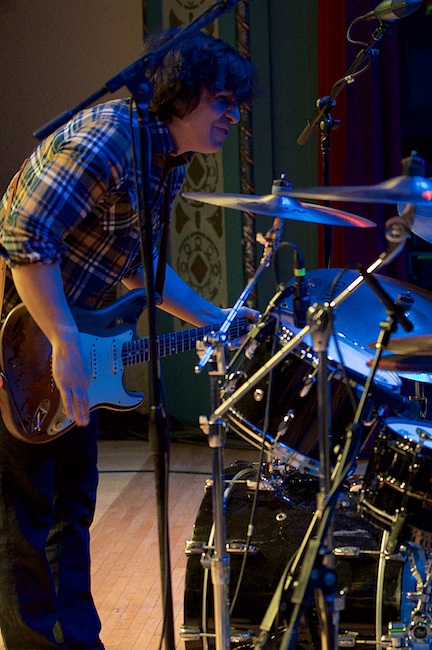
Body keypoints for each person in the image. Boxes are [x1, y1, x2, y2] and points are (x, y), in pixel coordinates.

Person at [0, 30, 256, 649]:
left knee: (71, 509)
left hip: (69, 333)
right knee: (26, 516)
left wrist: (213, 318)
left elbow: (137, 262)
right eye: (222, 100)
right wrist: (63, 343)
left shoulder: (166, 155)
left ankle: (78, 641)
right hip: (20, 337)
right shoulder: (111, 137)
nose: (232, 115)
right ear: (182, 94)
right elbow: (24, 235)